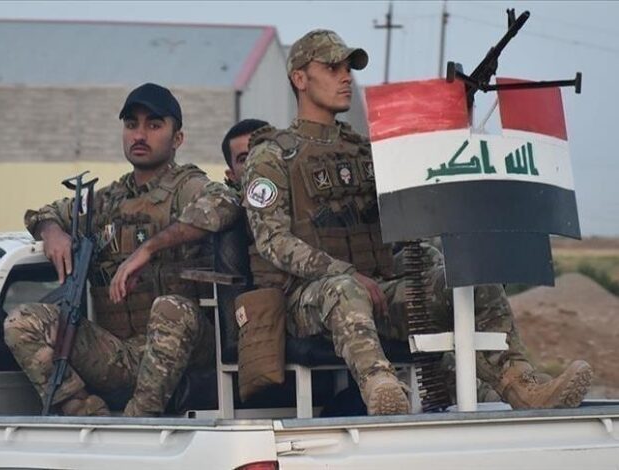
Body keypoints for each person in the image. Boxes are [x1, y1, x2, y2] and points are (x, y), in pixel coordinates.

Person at [241, 29, 593, 415]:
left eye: (348, 69)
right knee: (343, 289)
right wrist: (343, 272)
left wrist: (455, 126)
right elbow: (272, 239)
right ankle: (382, 387)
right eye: (332, 68)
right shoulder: (272, 155)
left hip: (380, 289)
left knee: (471, 280)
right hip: (309, 301)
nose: (345, 77)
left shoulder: (367, 152)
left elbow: (413, 212)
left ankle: (523, 384)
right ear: (300, 78)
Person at [4, 83, 240, 417]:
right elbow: (45, 213)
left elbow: (227, 203)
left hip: (185, 348)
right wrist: (52, 232)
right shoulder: (106, 201)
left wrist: (148, 249)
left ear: (177, 139)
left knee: (171, 309)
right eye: (131, 125)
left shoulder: (188, 187)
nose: (139, 135)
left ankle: (137, 423)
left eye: (153, 125)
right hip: (117, 351)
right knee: (21, 322)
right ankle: (83, 411)